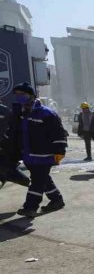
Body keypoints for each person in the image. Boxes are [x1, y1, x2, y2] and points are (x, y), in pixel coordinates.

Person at [2, 83, 67, 218]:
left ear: (31, 95)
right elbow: (13, 133)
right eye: (17, 95)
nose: (20, 97)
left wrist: (59, 151)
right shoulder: (20, 114)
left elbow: (59, 134)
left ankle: (30, 207)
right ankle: (56, 200)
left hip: (44, 155)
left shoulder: (46, 113)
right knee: (43, 179)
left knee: (37, 182)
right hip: (28, 156)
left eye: (23, 95)